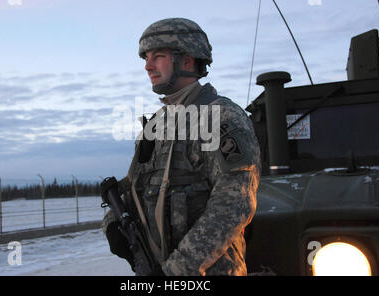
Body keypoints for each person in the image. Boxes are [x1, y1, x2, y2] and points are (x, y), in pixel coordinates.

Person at [102, 18, 261, 276]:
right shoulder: (155, 125)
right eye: (145, 58)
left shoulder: (221, 117)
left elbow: (233, 206)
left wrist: (175, 271)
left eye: (158, 56)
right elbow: (137, 187)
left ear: (187, 61)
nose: (148, 66)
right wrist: (112, 223)